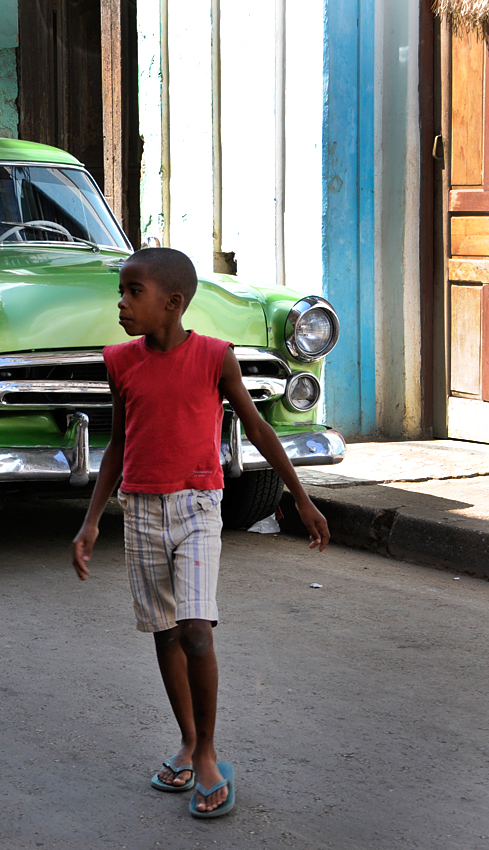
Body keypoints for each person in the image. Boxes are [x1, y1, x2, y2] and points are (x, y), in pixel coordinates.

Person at [71, 247, 329, 818]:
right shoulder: (120, 360)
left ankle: (208, 751)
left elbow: (258, 428)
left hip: (196, 505)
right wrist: (90, 522)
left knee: (195, 627)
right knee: (164, 632)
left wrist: (302, 500)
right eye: (122, 291)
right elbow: (117, 444)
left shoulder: (214, 357)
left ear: (173, 303)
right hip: (139, 508)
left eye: (133, 292)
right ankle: (187, 738)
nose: (121, 303)